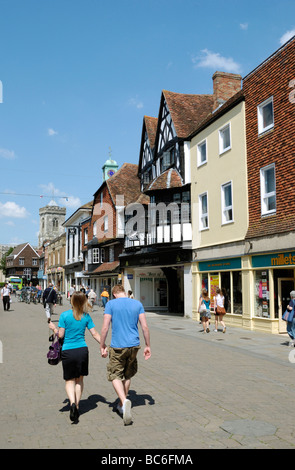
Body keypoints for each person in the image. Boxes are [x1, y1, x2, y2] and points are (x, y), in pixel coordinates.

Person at [100, 284, 151, 426]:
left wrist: (102, 345)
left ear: (115, 293)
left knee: (115, 375)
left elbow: (105, 327)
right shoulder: (137, 304)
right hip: (134, 345)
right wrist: (148, 345)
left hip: (118, 346)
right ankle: (122, 404)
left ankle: (124, 401)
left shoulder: (111, 304)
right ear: (124, 292)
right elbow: (145, 326)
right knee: (127, 375)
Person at [48, 291, 102, 422]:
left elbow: (60, 335)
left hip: (68, 351)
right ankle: (77, 405)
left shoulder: (64, 315)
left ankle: (72, 403)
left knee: (69, 380)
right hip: (82, 351)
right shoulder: (86, 316)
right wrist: (104, 345)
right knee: (79, 380)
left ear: (72, 301)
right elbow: (94, 334)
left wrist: (53, 328)